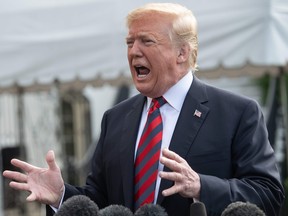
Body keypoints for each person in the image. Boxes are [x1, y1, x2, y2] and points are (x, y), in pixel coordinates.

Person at [2, 3, 284, 216]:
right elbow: (100, 200)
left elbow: (269, 195)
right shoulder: (115, 118)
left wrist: (200, 186)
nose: (133, 51)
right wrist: (61, 195)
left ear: (182, 53)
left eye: (146, 41)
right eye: (129, 42)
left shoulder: (236, 113)